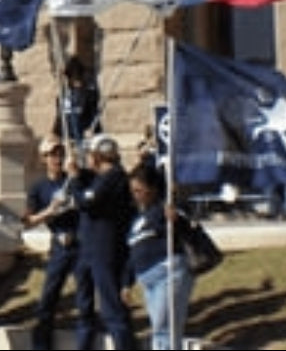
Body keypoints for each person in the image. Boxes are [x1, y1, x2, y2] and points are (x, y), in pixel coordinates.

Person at [66, 134, 139, 351]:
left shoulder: (114, 178)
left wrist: (75, 179)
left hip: (104, 251)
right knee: (84, 307)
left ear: (97, 156)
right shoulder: (99, 177)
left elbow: (88, 202)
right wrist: (77, 173)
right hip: (88, 250)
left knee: (112, 310)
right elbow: (88, 182)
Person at [23, 136, 89, 351]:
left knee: (84, 300)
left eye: (59, 153)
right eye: (52, 154)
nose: (57, 158)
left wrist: (76, 176)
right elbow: (28, 221)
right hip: (59, 246)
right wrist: (50, 210)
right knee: (48, 299)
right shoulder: (39, 187)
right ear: (43, 158)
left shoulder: (75, 179)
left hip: (80, 244)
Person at [124, 163, 196, 350]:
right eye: (133, 190)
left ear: (153, 188)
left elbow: (188, 226)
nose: (136, 195)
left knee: (165, 329)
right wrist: (126, 283)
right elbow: (132, 251)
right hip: (147, 280)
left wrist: (176, 219)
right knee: (159, 329)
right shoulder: (137, 218)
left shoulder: (166, 208)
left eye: (140, 190)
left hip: (168, 273)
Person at [60, 56, 101, 151]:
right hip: (68, 141)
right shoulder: (65, 94)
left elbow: (94, 113)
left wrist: (92, 130)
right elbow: (61, 117)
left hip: (85, 140)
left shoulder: (89, 93)